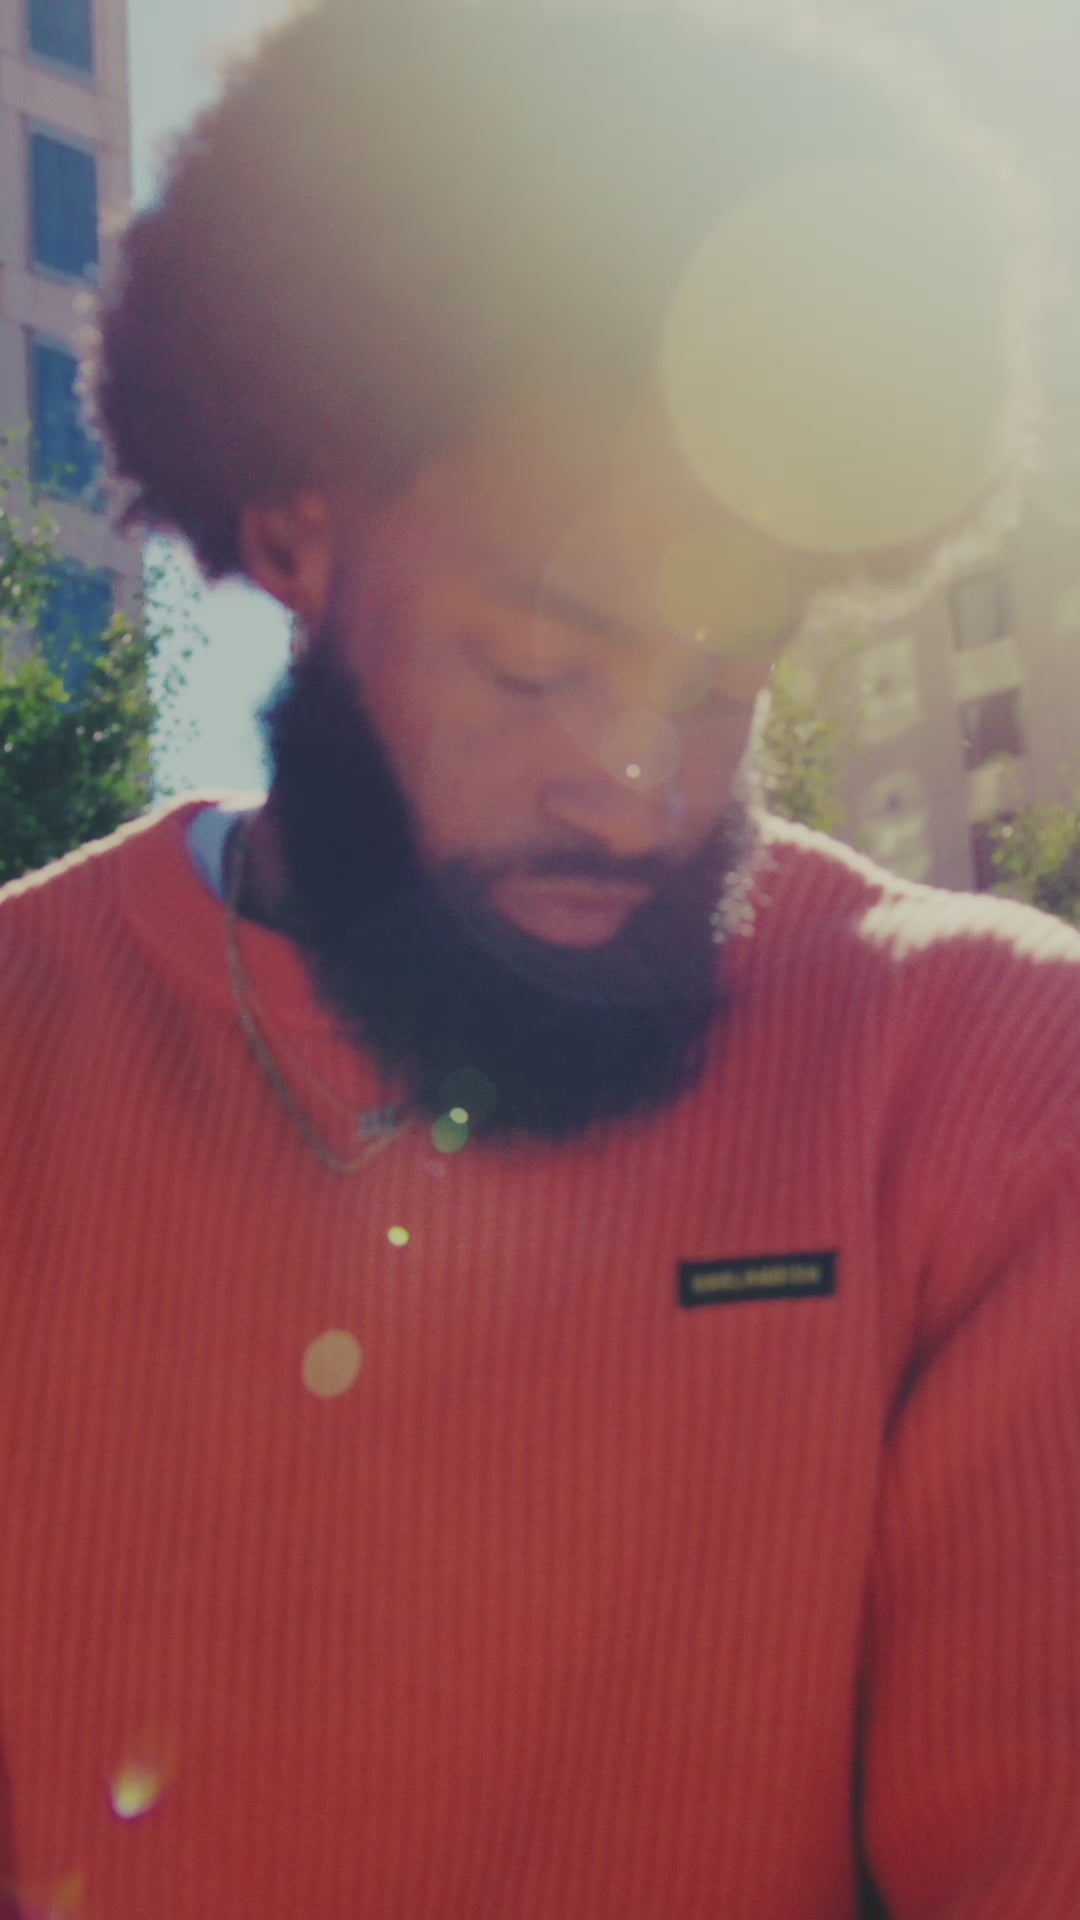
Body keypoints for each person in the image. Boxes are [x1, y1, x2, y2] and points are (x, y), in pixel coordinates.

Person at [0, 5, 1076, 1916]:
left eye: (727, 679)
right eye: (538, 665)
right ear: (299, 535)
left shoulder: (984, 1087)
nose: (639, 790)